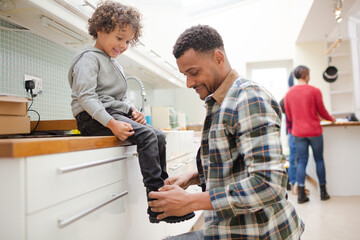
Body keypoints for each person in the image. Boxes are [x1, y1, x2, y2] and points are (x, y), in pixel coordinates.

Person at [149, 25, 304, 239]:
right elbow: (235, 163)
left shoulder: (249, 98)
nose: (189, 83)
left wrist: (190, 201)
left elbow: (269, 185)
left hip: (260, 232)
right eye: (185, 74)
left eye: (193, 73)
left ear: (218, 58)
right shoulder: (220, 101)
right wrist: (193, 177)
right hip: (228, 229)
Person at [68, 1, 194, 224]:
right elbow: (86, 98)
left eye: (127, 41)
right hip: (93, 118)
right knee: (146, 135)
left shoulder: (114, 63)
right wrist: (111, 123)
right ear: (100, 29)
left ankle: (165, 192)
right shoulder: (89, 59)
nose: (123, 45)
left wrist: (132, 110)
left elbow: (119, 99)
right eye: (119, 38)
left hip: (113, 114)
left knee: (159, 135)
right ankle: (157, 203)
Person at [284, 65, 334, 204]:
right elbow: (322, 111)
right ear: (306, 75)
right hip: (314, 131)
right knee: (319, 159)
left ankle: (301, 194)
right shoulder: (314, 91)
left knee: (301, 161)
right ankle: (323, 192)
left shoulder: (289, 93)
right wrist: (331, 118)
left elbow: (288, 114)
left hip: (298, 132)